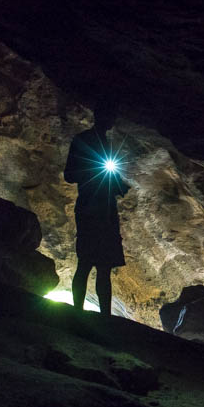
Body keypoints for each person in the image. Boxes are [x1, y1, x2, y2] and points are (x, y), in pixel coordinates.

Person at [63, 125, 129, 314]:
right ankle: (78, 311)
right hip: (89, 209)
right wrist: (92, 173)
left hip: (106, 210)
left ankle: (105, 315)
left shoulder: (107, 143)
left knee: (104, 266)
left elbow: (109, 177)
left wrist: (117, 184)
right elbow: (69, 174)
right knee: (85, 262)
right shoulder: (82, 141)